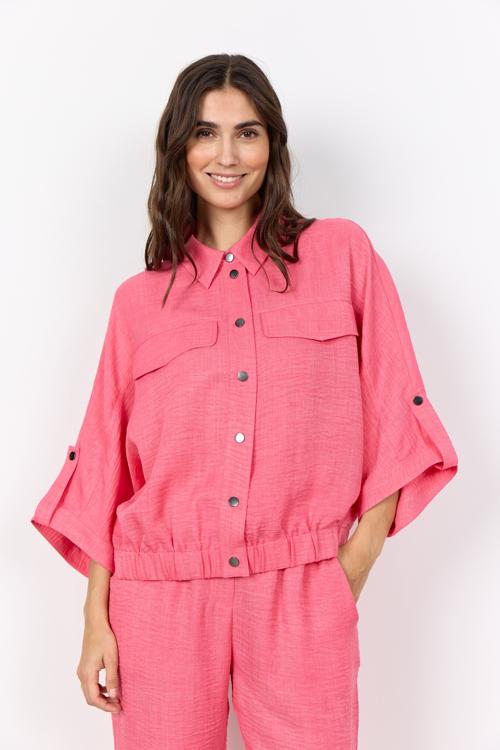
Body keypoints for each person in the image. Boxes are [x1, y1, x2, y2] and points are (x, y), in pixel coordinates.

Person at [30, 53, 459, 750]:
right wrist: (94, 620)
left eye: (247, 133)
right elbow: (107, 469)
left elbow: (397, 413)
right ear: (179, 148)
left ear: (272, 145)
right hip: (159, 597)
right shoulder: (139, 302)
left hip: (301, 589)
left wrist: (351, 565)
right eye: (205, 133)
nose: (226, 155)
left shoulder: (342, 255)